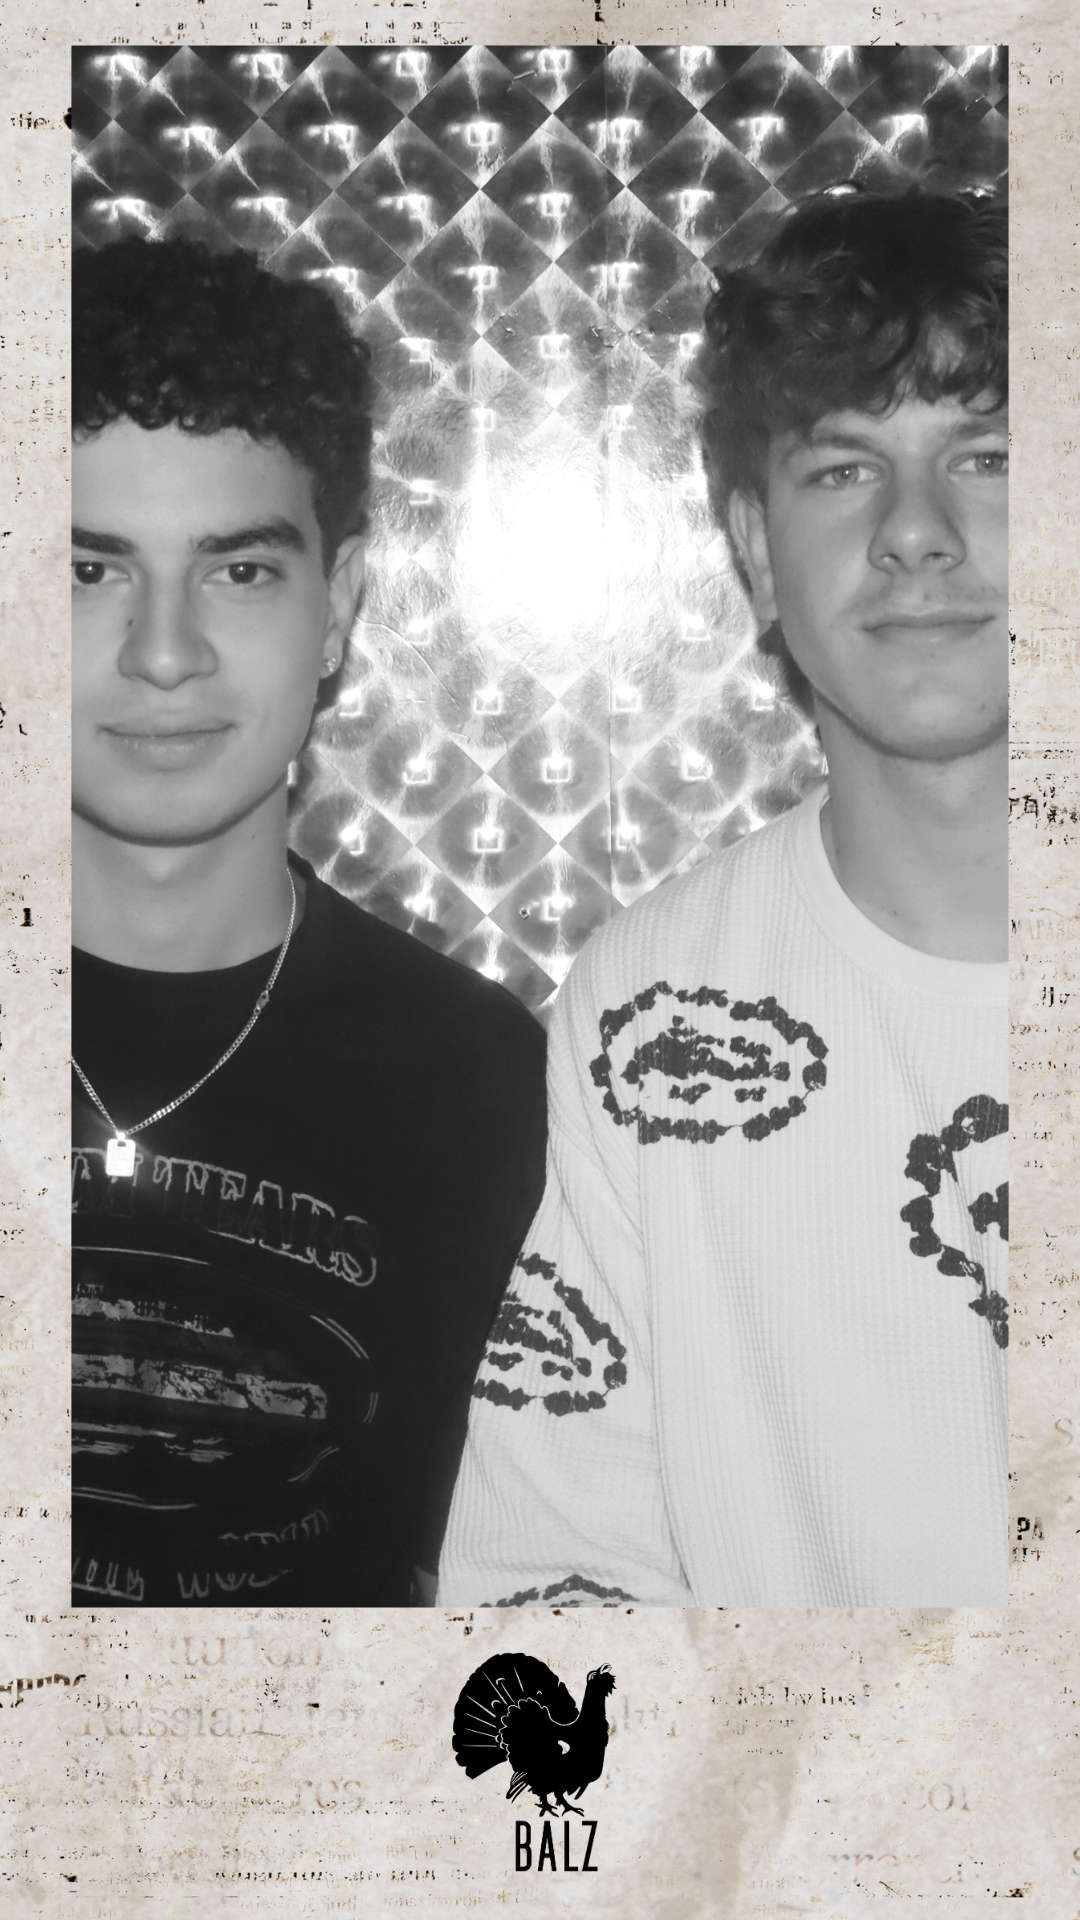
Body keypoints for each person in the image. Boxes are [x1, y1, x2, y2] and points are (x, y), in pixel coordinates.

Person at [438, 187, 1008, 1609]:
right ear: (754, 550)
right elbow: (555, 1572)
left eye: (989, 456)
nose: (918, 531)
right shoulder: (649, 1012)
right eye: (845, 467)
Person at [71, 236, 546, 1607]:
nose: (165, 653)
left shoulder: (478, 1086)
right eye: (87, 571)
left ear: (338, 607)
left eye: (239, 571)